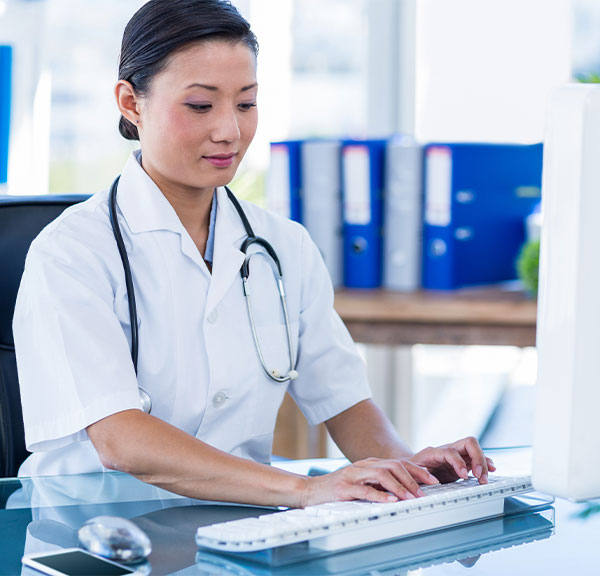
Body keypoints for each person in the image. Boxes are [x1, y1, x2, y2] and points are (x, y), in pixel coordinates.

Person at [13, 0, 494, 508]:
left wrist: (410, 473)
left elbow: (344, 399)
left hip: (234, 527)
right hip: (92, 535)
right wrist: (306, 490)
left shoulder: (283, 246)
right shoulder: (71, 254)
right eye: (201, 106)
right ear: (131, 103)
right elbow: (121, 441)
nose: (230, 131)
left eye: (246, 104)